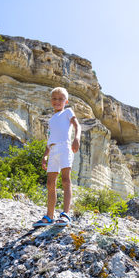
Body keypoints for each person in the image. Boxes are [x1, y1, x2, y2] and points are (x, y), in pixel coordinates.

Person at [33, 87, 81, 227]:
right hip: (53, 150)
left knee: (66, 180)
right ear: (51, 100)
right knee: (50, 183)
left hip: (65, 147)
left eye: (60, 99)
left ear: (66, 101)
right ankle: (49, 216)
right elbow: (50, 139)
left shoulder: (68, 111)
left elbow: (77, 126)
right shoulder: (51, 119)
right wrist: (45, 156)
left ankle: (65, 214)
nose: (57, 101)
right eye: (54, 98)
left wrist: (76, 139)